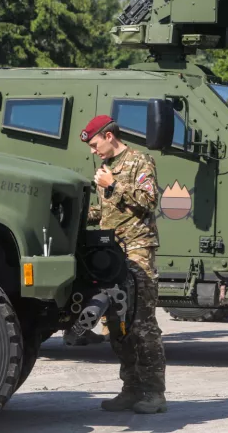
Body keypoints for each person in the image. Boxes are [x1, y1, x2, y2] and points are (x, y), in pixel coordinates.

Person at [81, 114, 167, 414]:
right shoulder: (105, 168)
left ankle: (155, 394)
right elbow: (107, 212)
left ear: (108, 136)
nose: (93, 151)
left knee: (143, 325)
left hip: (138, 250)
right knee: (117, 325)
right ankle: (130, 389)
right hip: (113, 252)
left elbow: (148, 200)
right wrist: (79, 214)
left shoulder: (140, 161)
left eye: (95, 144)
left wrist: (113, 184)